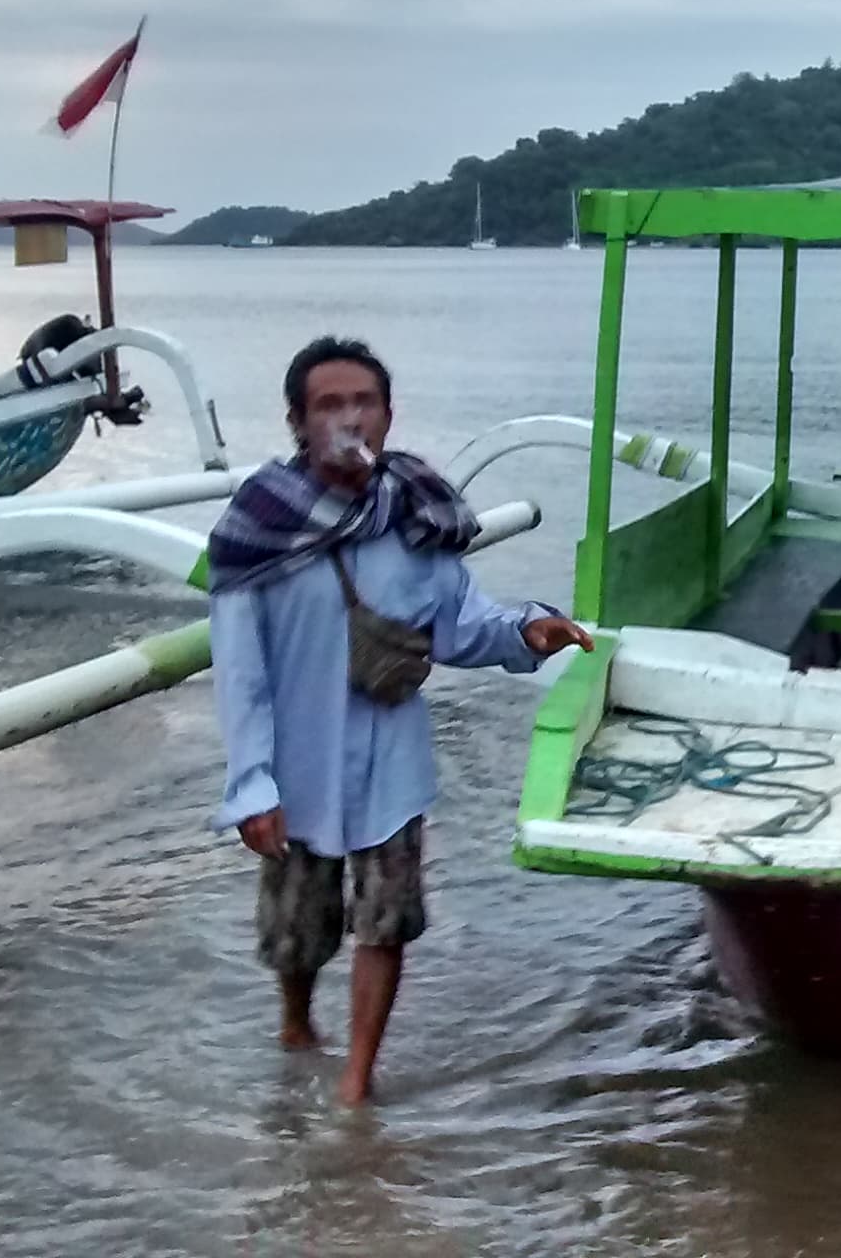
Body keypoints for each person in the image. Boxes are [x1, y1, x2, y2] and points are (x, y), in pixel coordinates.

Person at [206, 336, 592, 1105]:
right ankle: (296, 1025)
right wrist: (251, 784)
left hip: (392, 764)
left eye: (364, 402)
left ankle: (356, 1083)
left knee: (386, 923)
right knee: (298, 934)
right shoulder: (258, 529)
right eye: (329, 404)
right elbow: (240, 673)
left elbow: (459, 624)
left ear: (388, 414)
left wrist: (526, 631)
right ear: (296, 421)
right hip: (296, 766)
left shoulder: (416, 514)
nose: (350, 417)